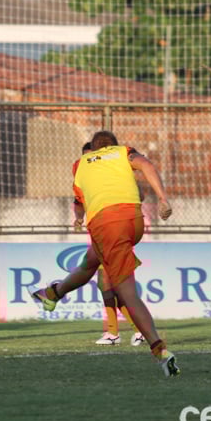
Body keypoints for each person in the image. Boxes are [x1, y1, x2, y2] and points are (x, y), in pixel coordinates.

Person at [30, 130, 180, 377]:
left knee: (127, 293)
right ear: (113, 145)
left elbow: (80, 200)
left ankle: (160, 350)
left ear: (93, 149)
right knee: (90, 262)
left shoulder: (80, 165)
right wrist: (163, 199)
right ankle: (52, 293)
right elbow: (147, 166)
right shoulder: (124, 152)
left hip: (108, 226)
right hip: (134, 222)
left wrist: (79, 217)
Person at [72, 141, 144, 347]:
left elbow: (141, 194)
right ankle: (130, 331)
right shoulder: (83, 179)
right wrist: (79, 217)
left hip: (116, 234)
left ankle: (118, 332)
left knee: (109, 284)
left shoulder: (113, 175)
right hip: (100, 238)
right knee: (107, 286)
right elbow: (78, 203)